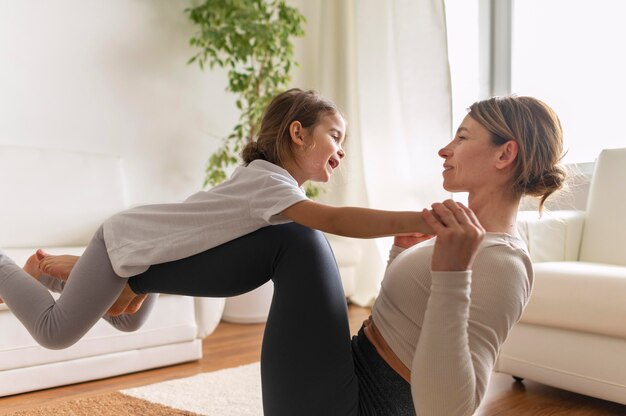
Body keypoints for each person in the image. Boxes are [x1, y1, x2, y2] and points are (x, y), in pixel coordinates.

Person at [0, 92, 565, 415]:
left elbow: (449, 407)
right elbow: (409, 326)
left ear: (504, 154)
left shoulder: (503, 262)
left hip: (362, 406)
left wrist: (449, 276)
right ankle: (132, 275)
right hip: (348, 369)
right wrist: (402, 254)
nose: (445, 147)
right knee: (294, 236)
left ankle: (133, 275)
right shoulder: (274, 185)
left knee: (297, 239)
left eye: (462, 137)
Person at [0, 87, 434, 346]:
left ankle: (56, 273)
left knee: (129, 320)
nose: (342, 150)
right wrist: (418, 218)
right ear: (297, 133)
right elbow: (336, 220)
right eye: (335, 136)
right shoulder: (269, 184)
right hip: (125, 241)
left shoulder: (270, 184)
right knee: (54, 332)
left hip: (144, 254)